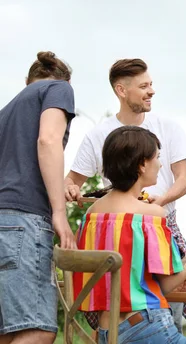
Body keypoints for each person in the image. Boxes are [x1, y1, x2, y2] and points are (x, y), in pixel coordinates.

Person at [64, 58, 186, 331]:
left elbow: (184, 181)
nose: (151, 91)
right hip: (116, 232)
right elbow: (71, 180)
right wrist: (71, 188)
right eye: (143, 86)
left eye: (151, 84)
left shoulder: (168, 127)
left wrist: (160, 202)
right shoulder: (98, 135)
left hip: (162, 226)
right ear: (121, 91)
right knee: (130, 301)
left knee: (168, 307)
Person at [73, 126, 186, 344]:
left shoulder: (90, 216)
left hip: (106, 332)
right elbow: (167, 285)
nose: (160, 164)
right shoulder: (151, 216)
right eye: (157, 157)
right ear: (142, 164)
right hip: (146, 326)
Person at [0, 51, 77, 344]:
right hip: (24, 221)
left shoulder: (5, 112)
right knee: (37, 330)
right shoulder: (59, 89)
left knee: (8, 334)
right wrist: (58, 210)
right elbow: (48, 140)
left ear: (27, 82)